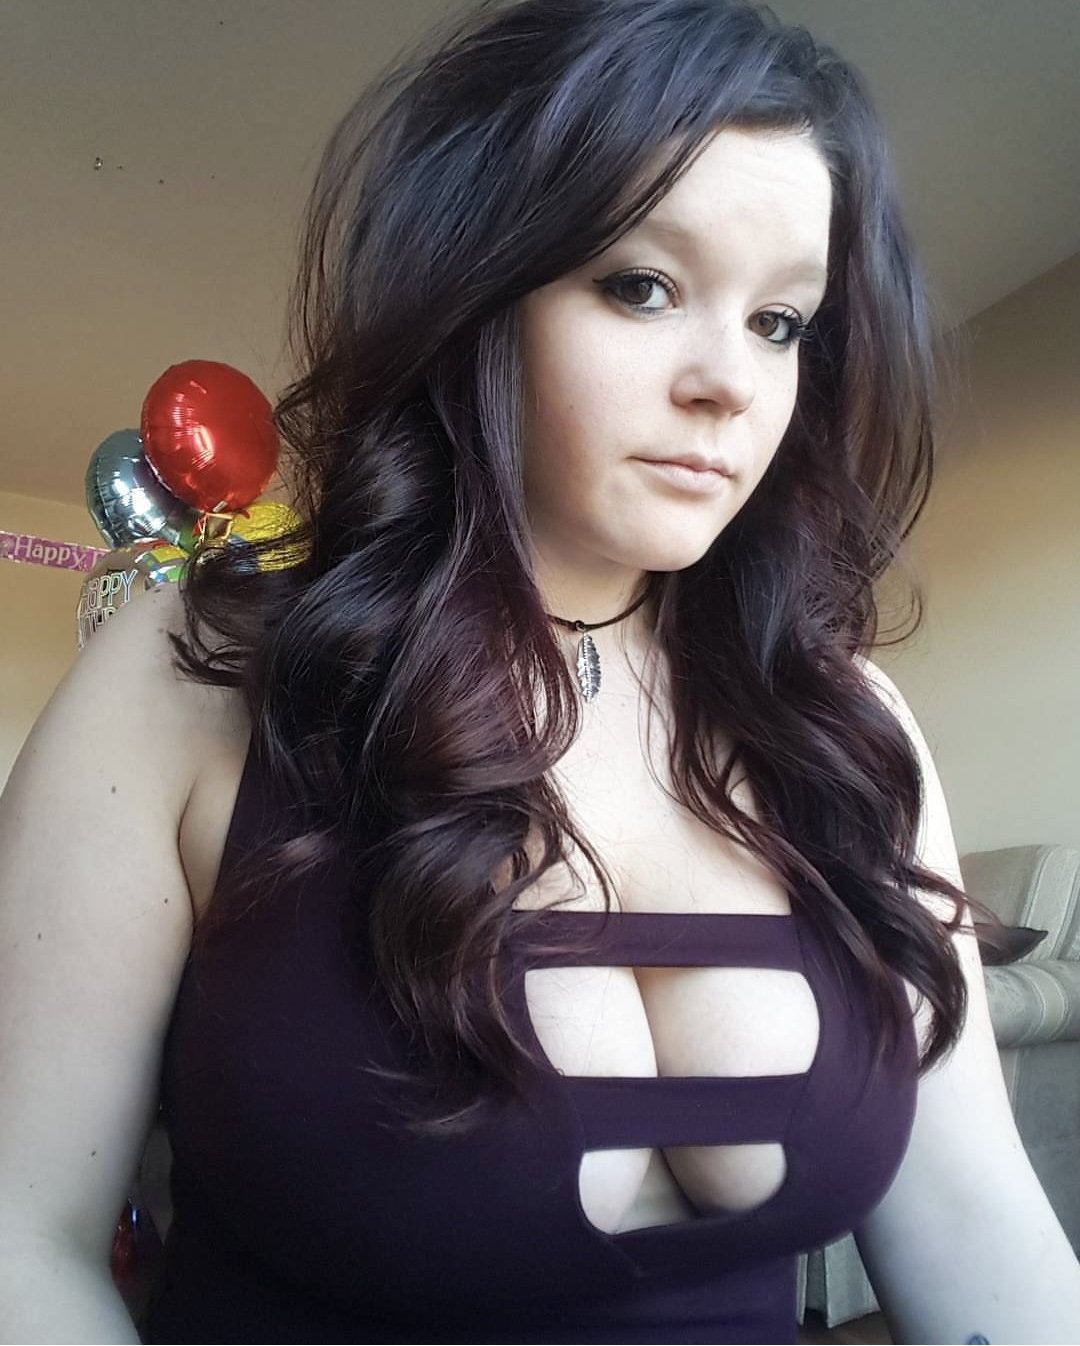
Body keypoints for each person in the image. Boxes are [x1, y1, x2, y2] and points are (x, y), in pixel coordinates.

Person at [1, 0, 1078, 1341]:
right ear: (474, 293)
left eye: (781, 320)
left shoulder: (847, 726)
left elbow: (977, 1226)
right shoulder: (191, 679)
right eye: (643, 286)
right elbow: (20, 1236)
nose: (730, 383)